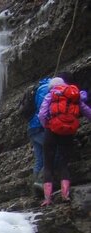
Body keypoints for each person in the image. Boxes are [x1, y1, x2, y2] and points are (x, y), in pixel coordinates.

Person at [38, 76, 91, 206]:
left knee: (48, 164)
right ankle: (65, 195)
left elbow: (42, 113)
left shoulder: (52, 95)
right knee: (64, 163)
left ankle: (47, 199)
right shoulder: (74, 96)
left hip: (52, 131)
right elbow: (87, 111)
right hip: (69, 132)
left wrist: (47, 125)